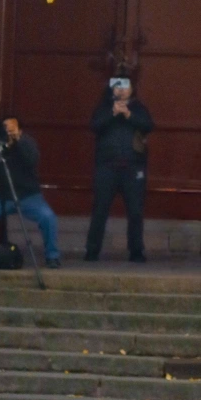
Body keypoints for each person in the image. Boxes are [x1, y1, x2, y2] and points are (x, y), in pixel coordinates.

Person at [85, 78, 154, 263]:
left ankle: (136, 251)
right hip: (107, 166)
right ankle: (92, 250)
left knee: (135, 211)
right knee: (100, 209)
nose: (121, 91)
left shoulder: (138, 107)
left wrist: (129, 115)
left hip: (133, 167)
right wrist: (113, 113)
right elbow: (95, 125)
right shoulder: (103, 107)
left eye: (125, 87)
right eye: (118, 87)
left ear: (132, 90)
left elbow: (148, 125)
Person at [0, 115, 60, 267]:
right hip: (1, 196)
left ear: (20, 130)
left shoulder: (27, 143)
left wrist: (17, 140)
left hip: (28, 196)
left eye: (11, 127)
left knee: (48, 217)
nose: (8, 131)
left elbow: (32, 159)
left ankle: (52, 256)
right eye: (5, 127)